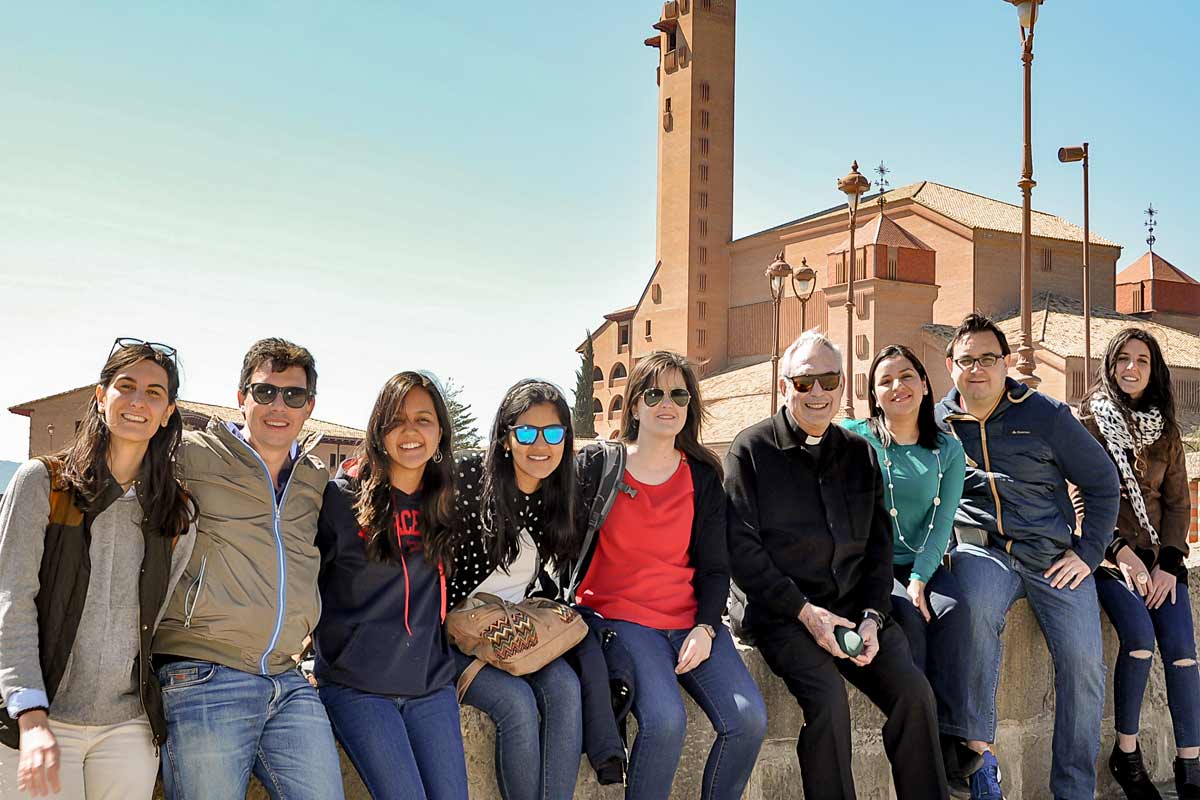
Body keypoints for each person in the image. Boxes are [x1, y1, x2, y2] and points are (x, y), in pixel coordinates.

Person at [726, 331, 948, 800]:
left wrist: (871, 617)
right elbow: (743, 553)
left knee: (915, 696)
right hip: (783, 615)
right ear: (783, 384)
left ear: (842, 384)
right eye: (805, 382)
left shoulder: (859, 452)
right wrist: (808, 613)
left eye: (828, 381)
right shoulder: (751, 450)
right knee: (828, 702)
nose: (818, 393)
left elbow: (877, 548)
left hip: (853, 608)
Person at [934, 313, 1120, 800]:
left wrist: (1088, 551)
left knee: (1083, 664)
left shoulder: (1045, 415)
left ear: (1007, 363)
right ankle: (977, 763)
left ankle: (1073, 790)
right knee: (970, 608)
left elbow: (1103, 482)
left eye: (988, 359)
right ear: (950, 365)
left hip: (1051, 556)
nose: (977, 369)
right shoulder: (938, 423)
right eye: (967, 360)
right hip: (984, 551)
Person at [0, 339, 196, 799]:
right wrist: (31, 716)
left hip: (127, 727)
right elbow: (11, 601)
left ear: (168, 411)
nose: (137, 402)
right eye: (125, 387)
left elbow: (154, 618)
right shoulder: (42, 483)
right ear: (100, 395)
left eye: (154, 393)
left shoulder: (177, 513)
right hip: (40, 720)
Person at [569, 351, 767, 800]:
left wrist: (705, 627)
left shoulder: (701, 477)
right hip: (621, 621)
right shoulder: (601, 467)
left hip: (688, 622)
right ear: (634, 404)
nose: (667, 403)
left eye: (679, 394)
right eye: (654, 393)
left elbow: (716, 567)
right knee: (664, 722)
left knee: (748, 719)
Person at [152, 338, 344, 800]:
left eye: (293, 395)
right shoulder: (191, 455)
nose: (278, 406)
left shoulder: (314, 477)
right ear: (242, 398)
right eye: (264, 392)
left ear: (309, 406)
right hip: (204, 673)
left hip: (287, 677)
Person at [313, 371, 467, 800]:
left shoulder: (448, 503)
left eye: (424, 419)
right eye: (397, 420)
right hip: (358, 688)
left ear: (440, 431)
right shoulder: (340, 500)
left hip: (430, 687)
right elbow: (299, 582)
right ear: (378, 431)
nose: (411, 431)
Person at [447, 379, 591, 800]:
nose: (540, 444)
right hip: (453, 638)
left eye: (554, 432)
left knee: (565, 688)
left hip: (512, 632)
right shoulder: (469, 480)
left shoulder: (560, 495)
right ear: (506, 438)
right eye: (526, 432)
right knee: (516, 705)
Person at [1076, 328, 1199, 800]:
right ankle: (1126, 755)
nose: (1131, 368)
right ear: (1110, 364)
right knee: (1141, 640)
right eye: (1122, 359)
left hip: (1160, 560)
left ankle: (1191, 766)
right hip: (1109, 557)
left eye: (1142, 360)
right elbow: (1078, 494)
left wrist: (1169, 562)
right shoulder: (1087, 421)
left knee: (1184, 654)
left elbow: (1179, 503)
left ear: (1154, 369)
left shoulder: (1165, 429)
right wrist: (1119, 553)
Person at [840, 344, 974, 778]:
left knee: (955, 610)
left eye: (906, 376)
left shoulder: (948, 451)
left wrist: (920, 577)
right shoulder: (855, 437)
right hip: (874, 567)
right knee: (909, 621)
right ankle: (926, 740)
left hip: (925, 564)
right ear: (873, 393)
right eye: (885, 381)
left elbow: (942, 525)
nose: (897, 386)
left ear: (924, 384)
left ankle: (950, 731)